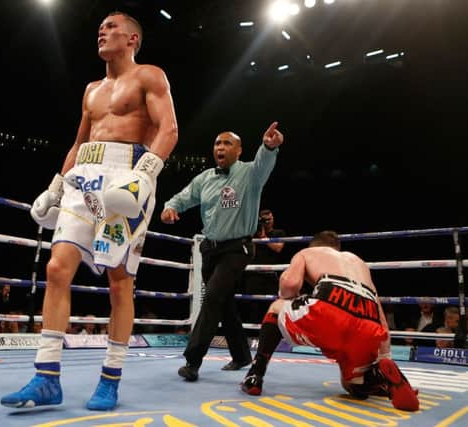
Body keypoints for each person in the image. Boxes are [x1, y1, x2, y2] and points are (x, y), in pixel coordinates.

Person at [1, 11, 177, 411]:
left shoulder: (150, 75)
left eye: (112, 27)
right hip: (84, 176)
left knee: (119, 282)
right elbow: (79, 143)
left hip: (125, 175)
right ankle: (46, 377)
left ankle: (110, 378)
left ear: (133, 39)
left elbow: (169, 129)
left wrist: (145, 176)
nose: (103, 31)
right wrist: (55, 187)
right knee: (56, 268)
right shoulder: (91, 90)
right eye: (100, 26)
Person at [240, 231, 419, 412]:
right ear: (337, 248)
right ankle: (378, 376)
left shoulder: (307, 253)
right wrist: (384, 357)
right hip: (368, 322)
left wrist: (290, 297)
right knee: (351, 385)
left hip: (331, 307)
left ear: (314, 245)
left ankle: (255, 375)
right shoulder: (358, 263)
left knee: (277, 307)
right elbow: (380, 317)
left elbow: (290, 285)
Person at [161, 123, 284, 381]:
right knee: (224, 303)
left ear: (239, 151)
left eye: (227, 143)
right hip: (211, 249)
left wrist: (269, 147)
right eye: (218, 143)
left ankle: (192, 360)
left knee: (213, 296)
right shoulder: (205, 178)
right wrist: (170, 208)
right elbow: (182, 198)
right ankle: (241, 355)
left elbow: (264, 163)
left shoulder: (250, 174)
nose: (221, 147)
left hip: (237, 248)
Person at [243, 209, 286, 324]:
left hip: (270, 274)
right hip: (253, 275)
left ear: (273, 219)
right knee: (252, 306)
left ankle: (269, 331)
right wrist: (253, 235)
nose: (268, 222)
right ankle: (252, 335)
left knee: (271, 305)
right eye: (265, 220)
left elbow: (278, 248)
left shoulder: (279, 233)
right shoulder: (252, 234)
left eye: (269, 219)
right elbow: (248, 251)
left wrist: (263, 237)